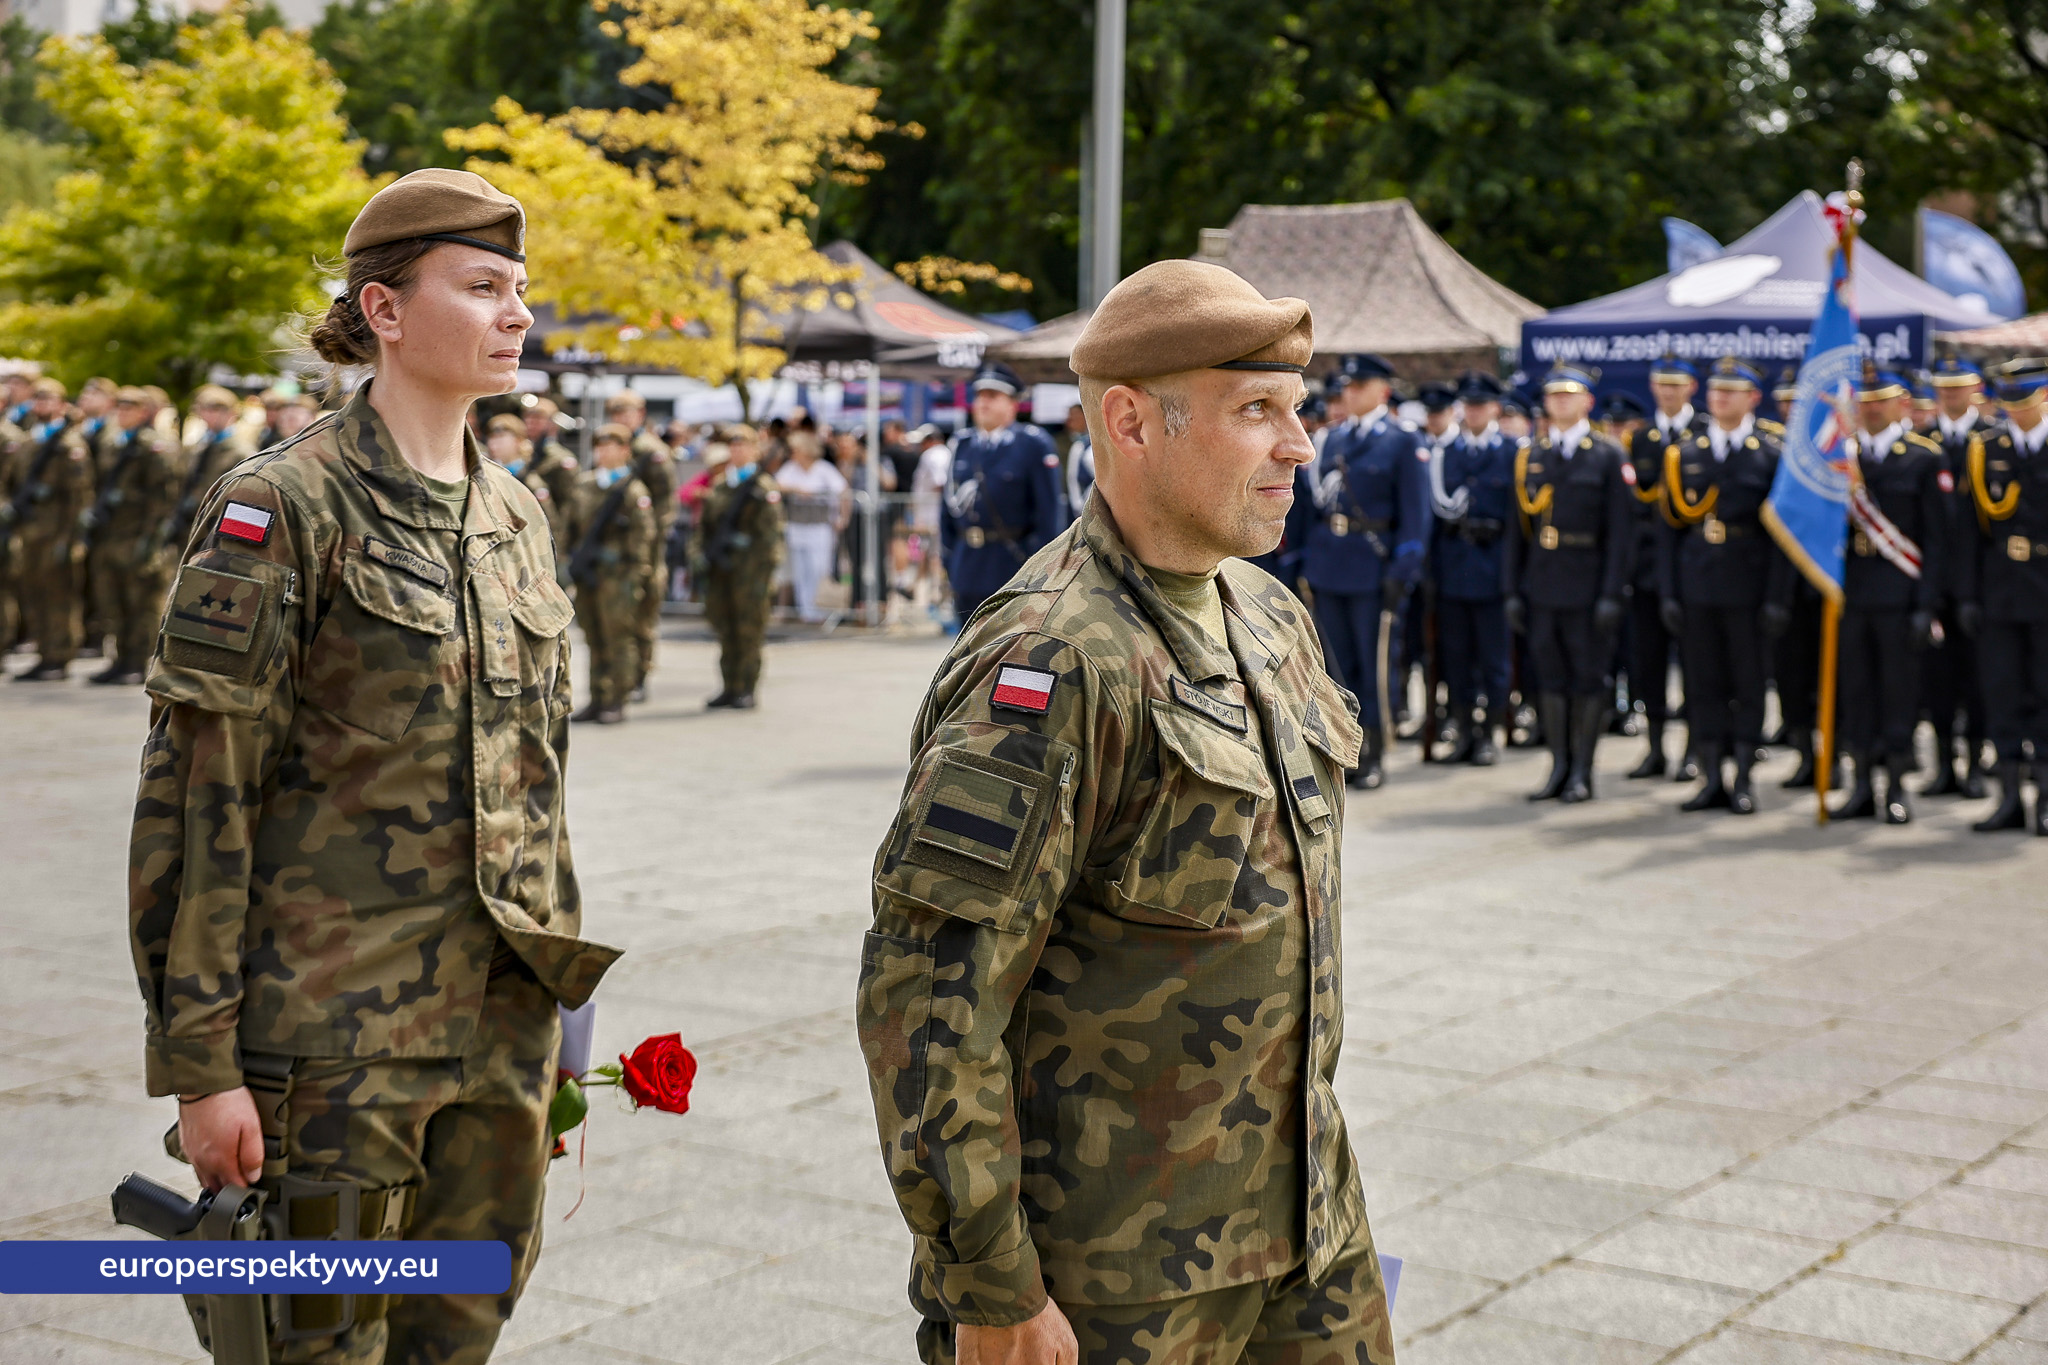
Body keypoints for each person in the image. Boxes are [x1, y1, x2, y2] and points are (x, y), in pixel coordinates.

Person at [858, 257, 1393, 1365]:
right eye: (1258, 412)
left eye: (1296, 412)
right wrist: (991, 1287)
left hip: (1305, 1232)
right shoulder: (1051, 660)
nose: (1300, 447)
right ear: (1131, 422)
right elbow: (929, 1003)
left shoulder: (1267, 612)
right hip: (1114, 1282)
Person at [127, 167, 619, 1363]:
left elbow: (534, 789)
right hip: (332, 1057)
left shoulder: (517, 514)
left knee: (458, 1343)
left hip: (494, 1047)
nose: (516, 314)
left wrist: (564, 1018)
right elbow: (199, 801)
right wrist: (201, 1068)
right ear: (384, 311)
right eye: (482, 287)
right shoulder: (279, 507)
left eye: (520, 290)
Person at [1284, 351, 1430, 788]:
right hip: (1330, 564)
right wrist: (1303, 561)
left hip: (1373, 568)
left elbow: (1416, 515)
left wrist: (1402, 570)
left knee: (1374, 663)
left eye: (1359, 386)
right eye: (1346, 387)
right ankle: (1344, 748)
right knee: (1336, 665)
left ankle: (1376, 750)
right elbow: (1311, 508)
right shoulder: (1332, 439)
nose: (1349, 394)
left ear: (1382, 390)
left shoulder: (1403, 440)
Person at [1657, 358, 1793, 815]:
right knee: (1703, 684)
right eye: (1716, 391)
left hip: (1750, 587)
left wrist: (1778, 597)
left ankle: (1745, 778)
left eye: (1732, 391)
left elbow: (1782, 537)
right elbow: (1668, 532)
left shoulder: (1771, 453)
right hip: (1698, 585)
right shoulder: (1685, 453)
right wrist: (1670, 592)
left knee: (1748, 684)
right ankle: (1711, 775)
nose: (1720, 398)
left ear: (1754, 398)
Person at [1504, 363, 1633, 802]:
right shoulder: (1532, 456)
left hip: (1589, 585)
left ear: (1587, 402)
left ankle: (1583, 770)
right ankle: (1558, 765)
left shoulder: (1608, 455)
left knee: (1588, 679)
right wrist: (1513, 590)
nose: (1559, 402)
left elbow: (1621, 535)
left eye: (1569, 395)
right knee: (1550, 679)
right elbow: (1517, 530)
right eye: (1553, 395)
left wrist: (1613, 593)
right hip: (1542, 584)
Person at [1832, 362, 1948, 824]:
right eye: (1866, 401)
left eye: (1881, 401)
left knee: (1898, 693)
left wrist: (1927, 604)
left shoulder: (1922, 456)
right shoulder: (1843, 458)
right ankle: (1860, 783)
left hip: (1900, 594)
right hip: (1852, 595)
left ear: (1902, 403)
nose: (1872, 408)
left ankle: (1896, 786)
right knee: (1855, 693)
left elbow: (1939, 540)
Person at [1957, 358, 2048, 832]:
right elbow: (1971, 531)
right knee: (2002, 693)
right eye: (2008, 403)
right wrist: (1968, 594)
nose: (2015, 411)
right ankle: (2010, 797)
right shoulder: (1985, 448)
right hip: (2000, 593)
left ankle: (2047, 799)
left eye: (2024, 402)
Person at [1625, 353, 1707, 779]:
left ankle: (1696, 748)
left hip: (1693, 569)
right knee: (1648, 661)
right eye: (1661, 384)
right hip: (1648, 571)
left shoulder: (1705, 434)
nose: (1668, 391)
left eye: (1676, 384)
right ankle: (1656, 748)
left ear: (1691, 388)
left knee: (1695, 662)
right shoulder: (1642, 439)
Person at [1432, 369, 1519, 764]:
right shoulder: (1447, 453)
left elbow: (1519, 523)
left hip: (1494, 569)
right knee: (1457, 658)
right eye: (1468, 405)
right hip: (1454, 569)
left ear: (1495, 409)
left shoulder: (1512, 452)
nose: (1474, 412)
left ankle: (1490, 735)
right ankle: (1465, 732)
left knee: (1494, 661)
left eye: (1481, 405)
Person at [940, 360, 1067, 624]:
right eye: (979, 396)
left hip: (1012, 565)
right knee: (967, 657)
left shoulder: (1032, 444)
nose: (983, 403)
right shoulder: (962, 445)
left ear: (1012, 404)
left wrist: (1040, 570)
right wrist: (951, 561)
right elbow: (947, 512)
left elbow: (1049, 513)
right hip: (968, 565)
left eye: (993, 396)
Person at [80, 386, 182, 685]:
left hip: (138, 535)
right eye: (120, 409)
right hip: (111, 535)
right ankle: (120, 659)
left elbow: (163, 499)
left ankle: (139, 662)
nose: (123, 414)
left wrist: (151, 540)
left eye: (130, 409)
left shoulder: (154, 446)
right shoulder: (113, 442)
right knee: (112, 601)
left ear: (142, 412)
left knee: (141, 604)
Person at [1924, 355, 1990, 797]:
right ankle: (1944, 764)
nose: (1949, 395)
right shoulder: (1923, 441)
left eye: (1957, 387)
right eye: (1943, 388)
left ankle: (1976, 765)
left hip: (1982, 581)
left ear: (1975, 391)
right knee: (1937, 679)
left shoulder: (1988, 440)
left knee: (1980, 678)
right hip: (1933, 578)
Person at [2, 377, 94, 680]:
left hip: (58, 533)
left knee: (59, 596)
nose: (41, 404)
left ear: (60, 404)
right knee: (34, 593)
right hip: (31, 533)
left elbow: (80, 498)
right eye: (38, 399)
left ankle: (59, 656)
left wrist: (70, 540)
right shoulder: (31, 442)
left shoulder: (70, 444)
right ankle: (43, 653)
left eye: (48, 399)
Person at [565, 423, 656, 724]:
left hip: (619, 578)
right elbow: (571, 527)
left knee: (618, 638)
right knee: (593, 636)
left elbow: (643, 539)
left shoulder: (633, 491)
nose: (603, 451)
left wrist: (635, 578)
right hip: (589, 574)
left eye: (611, 446)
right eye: (600, 446)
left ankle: (617, 699)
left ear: (625, 451)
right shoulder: (584, 484)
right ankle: (597, 696)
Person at [1768, 363, 1831, 788]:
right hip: (1782, 585)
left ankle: (1836, 756)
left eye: (1798, 400)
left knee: (1832, 677)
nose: (1792, 407)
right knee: (1791, 677)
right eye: (1786, 401)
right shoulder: (1772, 449)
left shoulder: (1832, 448)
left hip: (1827, 582)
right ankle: (1805, 754)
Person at [696, 423, 783, 708]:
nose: (737, 451)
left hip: (751, 573)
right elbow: (706, 528)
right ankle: (729, 685)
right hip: (722, 571)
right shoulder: (721, 485)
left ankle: (746, 687)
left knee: (749, 630)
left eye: (743, 446)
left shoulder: (763, 487)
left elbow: (771, 537)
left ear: (755, 450)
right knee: (726, 628)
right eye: (733, 446)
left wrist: (760, 570)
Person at [606, 389, 676, 701]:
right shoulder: (610, 447)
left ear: (641, 413)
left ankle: (639, 676)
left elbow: (665, 503)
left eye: (627, 412)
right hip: (616, 546)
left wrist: (650, 542)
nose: (622, 418)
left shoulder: (651, 451)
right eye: (616, 413)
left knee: (642, 611)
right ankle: (617, 675)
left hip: (644, 545)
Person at [776, 429, 849, 622]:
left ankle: (819, 607)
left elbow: (843, 491)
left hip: (819, 525)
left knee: (819, 567)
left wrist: (843, 517)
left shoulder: (823, 468)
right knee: (801, 569)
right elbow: (777, 484)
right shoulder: (790, 469)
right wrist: (796, 489)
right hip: (797, 524)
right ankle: (805, 609)